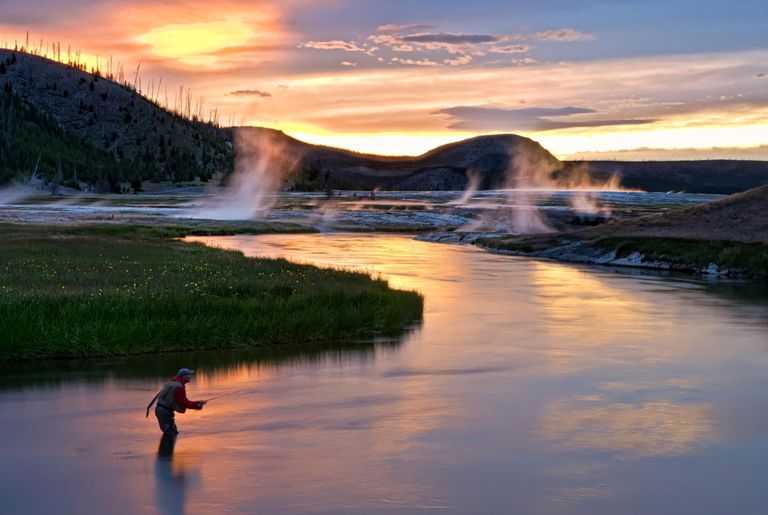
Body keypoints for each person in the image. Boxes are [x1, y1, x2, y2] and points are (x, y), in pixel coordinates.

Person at [150, 368, 207, 437]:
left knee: (171, 433)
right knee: (170, 435)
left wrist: (197, 404)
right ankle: (167, 447)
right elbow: (184, 403)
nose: (191, 376)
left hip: (162, 411)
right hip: (164, 412)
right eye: (189, 375)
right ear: (184, 376)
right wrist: (198, 404)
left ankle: (167, 447)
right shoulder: (179, 387)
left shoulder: (173, 383)